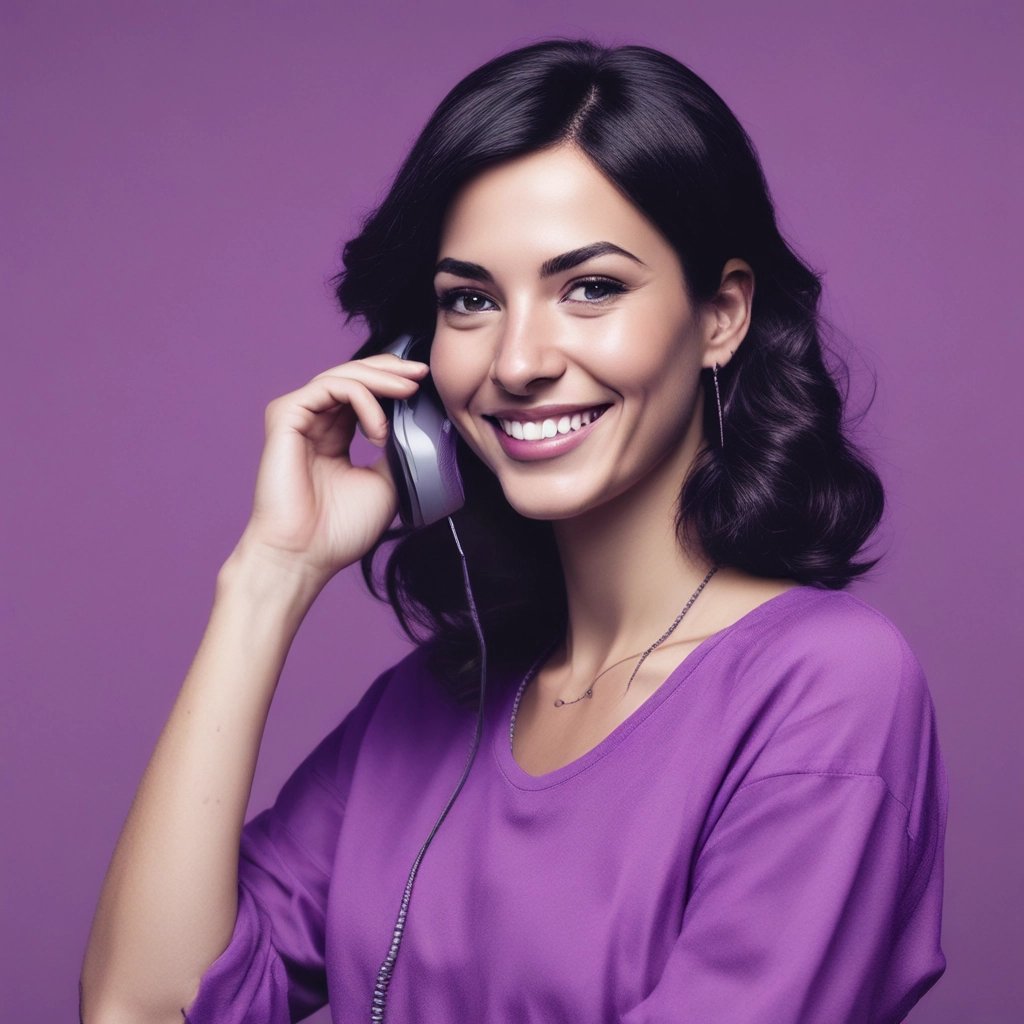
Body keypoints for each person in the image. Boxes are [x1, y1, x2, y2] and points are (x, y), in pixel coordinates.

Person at [79, 39, 948, 1024]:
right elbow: (139, 1009)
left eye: (591, 287)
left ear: (720, 315)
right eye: (471, 301)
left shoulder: (827, 688)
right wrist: (269, 576)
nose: (519, 360)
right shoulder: (428, 707)